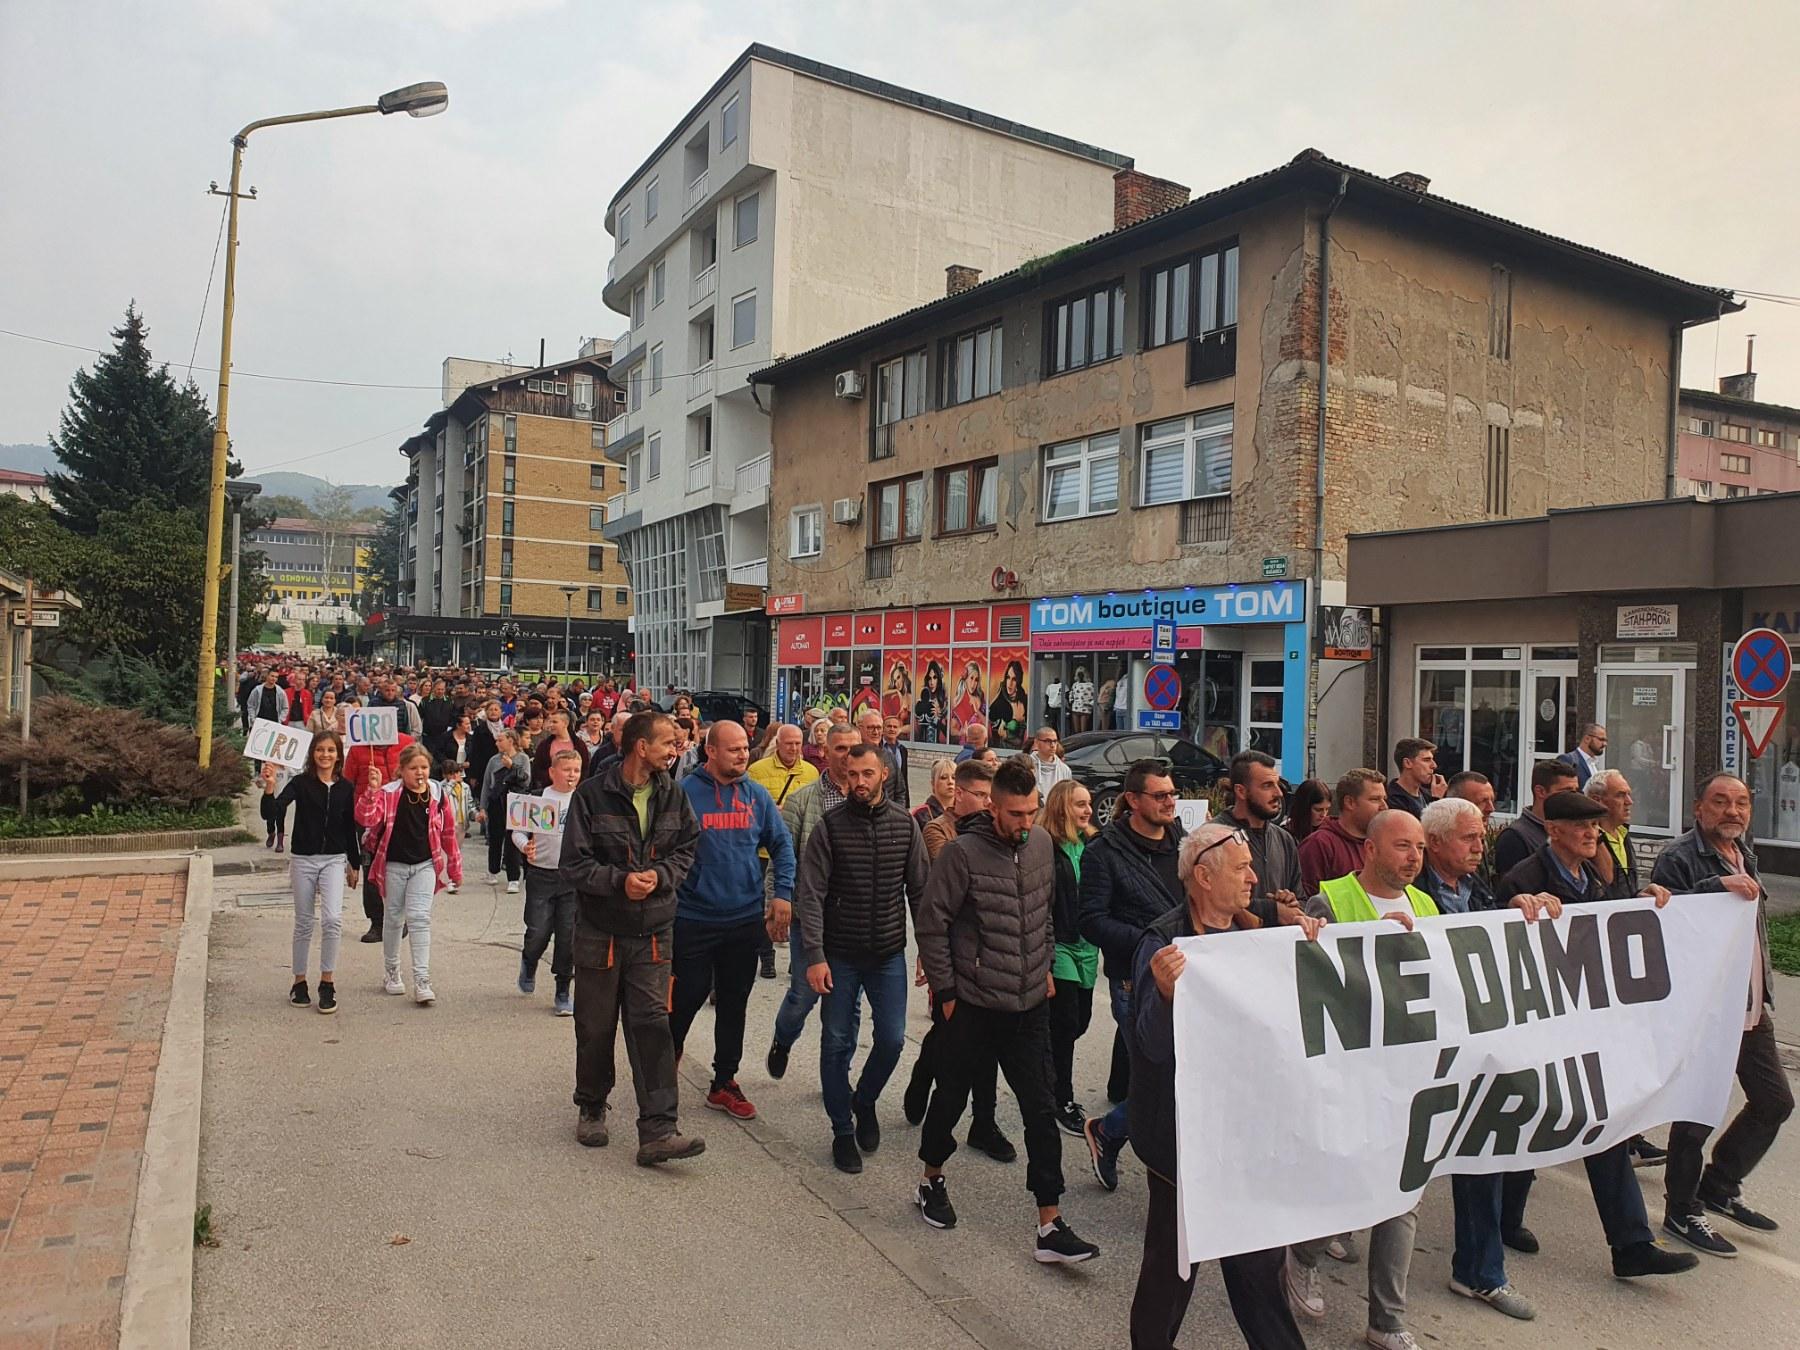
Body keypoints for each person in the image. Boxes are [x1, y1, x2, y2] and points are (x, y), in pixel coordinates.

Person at [1127, 822, 1321, 1350]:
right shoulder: (1162, 941)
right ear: (1203, 877)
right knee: (1171, 1273)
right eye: (1241, 869)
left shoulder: (1258, 937)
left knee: (1259, 1273)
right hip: (1183, 1145)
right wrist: (1167, 998)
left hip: (1246, 1140)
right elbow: (1146, 1044)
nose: (1254, 877)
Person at [1492, 790, 1697, 1279]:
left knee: (1600, 1127)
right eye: (1581, 826)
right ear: (1554, 830)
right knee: (1536, 1123)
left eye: (1596, 827)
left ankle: (1631, 1244)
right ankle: (1503, 1218)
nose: (1592, 834)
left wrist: (1643, 903)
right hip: (1537, 1030)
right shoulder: (1524, 880)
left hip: (1585, 1029)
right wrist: (1519, 908)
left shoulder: (1594, 878)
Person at [914, 758, 1100, 1263]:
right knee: (950, 1098)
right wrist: (948, 993)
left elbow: (1041, 913)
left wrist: (1041, 967)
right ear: (993, 807)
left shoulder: (1041, 843)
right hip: (973, 1004)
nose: (1024, 823)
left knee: (1040, 1110)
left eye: (1031, 812)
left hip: (1029, 1005)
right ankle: (931, 1178)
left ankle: (1049, 1221)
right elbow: (933, 924)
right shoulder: (961, 854)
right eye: (1015, 814)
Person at [1288, 810, 1439, 1345]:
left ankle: (1387, 1322)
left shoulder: (1426, 905)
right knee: (1345, 1188)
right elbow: (1310, 982)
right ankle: (1302, 1256)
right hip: (1347, 1075)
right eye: (1403, 846)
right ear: (1370, 849)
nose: (1414, 858)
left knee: (1402, 1197)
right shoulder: (1330, 901)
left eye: (1420, 847)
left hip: (1404, 1078)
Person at [1653, 772, 1792, 1258]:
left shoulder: (1744, 850)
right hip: (1705, 1010)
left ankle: (1720, 1184)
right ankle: (1682, 1207)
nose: (1732, 811)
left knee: (1774, 1101)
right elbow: (1661, 921)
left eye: (1741, 803)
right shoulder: (1678, 857)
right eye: (1720, 802)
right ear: (1698, 809)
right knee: (1697, 1110)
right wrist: (1716, 886)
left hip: (1751, 1004)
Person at [558, 711, 705, 1166]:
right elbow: (574, 865)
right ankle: (592, 1105)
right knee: (595, 1025)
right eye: (667, 743)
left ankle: (659, 1129)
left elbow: (687, 848)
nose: (675, 749)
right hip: (600, 931)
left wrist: (659, 877)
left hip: (654, 933)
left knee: (652, 1027)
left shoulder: (674, 795)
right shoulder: (590, 796)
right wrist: (619, 881)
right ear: (641, 747)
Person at [794, 743, 928, 1174]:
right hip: (840, 954)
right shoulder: (829, 828)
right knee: (836, 1042)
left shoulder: (904, 828)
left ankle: (864, 1099)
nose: (859, 783)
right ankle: (841, 1130)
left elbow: (921, 892)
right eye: (852, 775)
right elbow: (810, 894)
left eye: (867, 774)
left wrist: (928, 949)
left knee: (891, 1039)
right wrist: (814, 956)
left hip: (888, 953)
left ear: (883, 775)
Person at [670, 721, 797, 1124]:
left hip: (743, 919)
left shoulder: (755, 795)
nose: (743, 755)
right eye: (734, 749)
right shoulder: (683, 794)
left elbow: (782, 845)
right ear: (710, 751)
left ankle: (724, 1081)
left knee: (733, 1002)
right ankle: (662, 1066)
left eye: (746, 748)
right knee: (685, 998)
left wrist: (782, 894)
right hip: (692, 918)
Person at [1076, 759, 1186, 1191]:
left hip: (1185, 976)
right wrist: (1149, 940)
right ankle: (1110, 1130)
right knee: (1163, 1076)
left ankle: (1111, 1130)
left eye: (1172, 794)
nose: (1169, 802)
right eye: (1160, 796)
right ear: (1133, 800)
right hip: (1133, 981)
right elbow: (1091, 920)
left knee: (1181, 1074)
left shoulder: (1182, 841)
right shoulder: (1104, 853)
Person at [906, 759, 1010, 1161]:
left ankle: (984, 1122)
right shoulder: (938, 830)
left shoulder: (996, 833)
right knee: (949, 1034)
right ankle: (923, 1078)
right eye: (981, 796)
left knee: (985, 1043)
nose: (987, 804)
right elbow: (948, 888)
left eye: (991, 797)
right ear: (958, 794)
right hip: (951, 951)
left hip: (992, 954)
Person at [765, 724, 859, 1078]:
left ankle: (838, 1075)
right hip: (810, 917)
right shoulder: (804, 800)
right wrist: (776, 904)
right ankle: (783, 1039)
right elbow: (782, 857)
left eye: (853, 747)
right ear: (826, 752)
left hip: (853, 921)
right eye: (840, 749)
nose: (847, 755)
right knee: (804, 995)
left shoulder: (869, 798)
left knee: (847, 1005)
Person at [355, 743, 463, 1006]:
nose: (420, 773)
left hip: (425, 864)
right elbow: (366, 818)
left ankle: (422, 979)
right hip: (393, 864)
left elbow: (448, 831)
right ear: (401, 770)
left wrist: (454, 867)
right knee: (393, 918)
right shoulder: (389, 793)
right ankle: (392, 972)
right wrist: (371, 790)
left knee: (419, 918)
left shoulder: (437, 793)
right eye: (413, 768)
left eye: (424, 767)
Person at [260, 730, 358, 1015]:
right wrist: (269, 786)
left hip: (334, 859)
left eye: (330, 750)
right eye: (320, 750)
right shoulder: (301, 783)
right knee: (304, 922)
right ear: (312, 754)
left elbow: (349, 826)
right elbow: (272, 812)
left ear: (338, 755)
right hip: (303, 858)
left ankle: (327, 982)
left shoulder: (346, 788)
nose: (325, 755)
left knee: (332, 919)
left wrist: (354, 863)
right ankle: (299, 981)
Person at [1043, 780, 1100, 1136]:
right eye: (1080, 804)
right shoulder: (1046, 845)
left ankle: (1042, 1067)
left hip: (1087, 946)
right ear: (1062, 807)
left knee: (1081, 1022)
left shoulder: (1093, 844)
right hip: (1060, 944)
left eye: (1089, 803)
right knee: (1065, 1023)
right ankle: (1060, 1097)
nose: (1088, 810)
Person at [514, 748, 584, 1016]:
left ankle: (563, 989)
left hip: (571, 878)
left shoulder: (582, 800)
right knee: (538, 930)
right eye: (567, 770)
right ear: (552, 772)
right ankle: (529, 960)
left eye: (576, 770)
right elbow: (518, 830)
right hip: (541, 875)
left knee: (568, 937)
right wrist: (525, 846)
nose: (572, 775)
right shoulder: (537, 798)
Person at [746, 723, 819, 979]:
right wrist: (768, 813)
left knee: (795, 905)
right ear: (778, 743)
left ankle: (796, 959)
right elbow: (746, 808)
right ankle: (766, 956)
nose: (794, 748)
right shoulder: (757, 771)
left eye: (799, 743)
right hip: (762, 852)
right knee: (764, 907)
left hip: (796, 852)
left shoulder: (811, 772)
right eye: (789, 743)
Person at [345, 722, 417, 943]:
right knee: (370, 869)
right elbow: (348, 782)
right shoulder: (358, 749)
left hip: (400, 815)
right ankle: (377, 922)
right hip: (368, 817)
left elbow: (417, 771)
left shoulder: (406, 742)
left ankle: (400, 918)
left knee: (400, 868)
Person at [1224, 750, 1303, 905]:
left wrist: (1292, 903)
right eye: (1267, 786)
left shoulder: (1284, 839)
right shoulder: (1214, 838)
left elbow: (1302, 898)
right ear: (1241, 791)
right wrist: (1270, 911)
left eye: (1278, 785)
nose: (1279, 793)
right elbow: (1212, 903)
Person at [1297, 768, 1386, 896]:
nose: (1384, 806)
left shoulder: (1381, 843)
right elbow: (1305, 902)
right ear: (1349, 802)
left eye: (1384, 799)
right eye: (1375, 799)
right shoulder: (1319, 845)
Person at [1494, 760, 1579, 877]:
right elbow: (1511, 888)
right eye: (1566, 791)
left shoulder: (1572, 831)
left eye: (1575, 791)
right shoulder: (1515, 837)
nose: (1573, 798)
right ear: (1541, 792)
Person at [1416, 797, 1494, 913]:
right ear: (1435, 842)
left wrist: (1512, 908)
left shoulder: (1476, 883)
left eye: (1481, 839)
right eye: (1468, 838)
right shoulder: (1408, 891)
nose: (1478, 848)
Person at [479, 729, 530, 895]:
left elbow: (526, 779)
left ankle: (513, 878)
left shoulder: (522, 758)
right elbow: (487, 784)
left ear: (511, 741)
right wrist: (483, 807)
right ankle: (492, 871)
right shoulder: (493, 760)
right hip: (496, 802)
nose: (497, 743)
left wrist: (512, 766)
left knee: (512, 840)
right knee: (495, 838)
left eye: (500, 740)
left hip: (515, 802)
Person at [1586, 769, 1641, 898]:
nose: (1629, 802)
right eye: (1620, 795)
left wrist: (1640, 895)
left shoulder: (1623, 833)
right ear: (1597, 800)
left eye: (1629, 794)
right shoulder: (1587, 840)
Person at [1385, 737, 1447, 819]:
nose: (1434, 765)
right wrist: (1437, 800)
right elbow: (1427, 829)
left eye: (1432, 759)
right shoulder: (1392, 799)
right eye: (1426, 760)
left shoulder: (1426, 794)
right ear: (1407, 763)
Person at [990, 661, 1028, 749]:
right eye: (1008, 677)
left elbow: (1021, 741)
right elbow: (991, 717)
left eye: (1014, 679)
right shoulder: (1001, 699)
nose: (1009, 683)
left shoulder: (1023, 702)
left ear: (1018, 681)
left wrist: (1006, 736)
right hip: (998, 749)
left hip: (1015, 752)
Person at [1558, 722, 1607, 789]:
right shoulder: (1568, 760)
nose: (1605, 744)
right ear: (1587, 739)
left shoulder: (1594, 764)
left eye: (1605, 740)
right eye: (1601, 739)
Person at [1282, 778, 1331, 845]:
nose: (1323, 814)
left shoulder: (1329, 831)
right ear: (1304, 808)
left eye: (1327, 809)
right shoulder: (1285, 834)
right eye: (1318, 810)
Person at [1027, 727, 1071, 799]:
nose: (1052, 745)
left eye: (1055, 741)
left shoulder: (1065, 769)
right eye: (1048, 741)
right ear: (1037, 742)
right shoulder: (1027, 765)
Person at [914, 662, 948, 746]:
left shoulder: (944, 702)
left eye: (935, 678)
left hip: (938, 745)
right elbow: (917, 728)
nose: (931, 682)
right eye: (929, 678)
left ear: (939, 679)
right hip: (922, 743)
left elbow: (948, 734)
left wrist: (938, 718)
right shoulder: (923, 699)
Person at [914, 759, 956, 825]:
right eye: (944, 777)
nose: (950, 782)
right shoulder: (920, 814)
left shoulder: (965, 812)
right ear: (933, 783)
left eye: (954, 777)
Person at [1067, 665, 1095, 735]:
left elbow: (1094, 696)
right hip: (1075, 708)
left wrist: (1090, 704)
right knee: (1076, 730)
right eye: (1079, 674)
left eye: (1081, 674)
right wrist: (1071, 701)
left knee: (1083, 731)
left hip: (1085, 709)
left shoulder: (1090, 685)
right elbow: (1071, 694)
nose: (1080, 676)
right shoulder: (1075, 685)